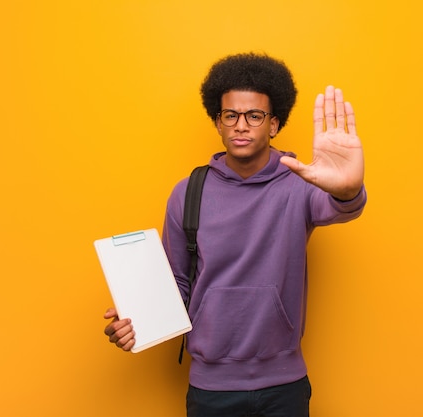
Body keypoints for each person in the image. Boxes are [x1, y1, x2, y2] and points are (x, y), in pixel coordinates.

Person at [103, 52, 366, 416]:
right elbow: (178, 282)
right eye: (231, 115)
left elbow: (342, 206)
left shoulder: (300, 184)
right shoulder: (188, 192)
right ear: (218, 122)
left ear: (273, 124)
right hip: (211, 388)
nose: (242, 125)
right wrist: (140, 317)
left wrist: (349, 188)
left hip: (284, 385)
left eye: (254, 115)